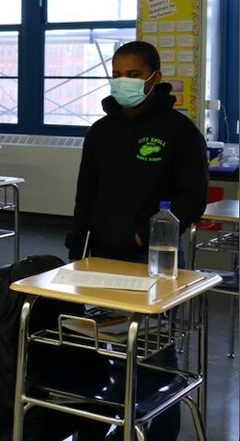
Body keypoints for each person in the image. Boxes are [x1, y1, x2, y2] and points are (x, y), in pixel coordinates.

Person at [67, 39, 208, 441]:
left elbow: (193, 196)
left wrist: (146, 232)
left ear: (154, 78)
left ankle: (159, 432)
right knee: (97, 348)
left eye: (133, 75)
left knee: (155, 353)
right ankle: (104, 426)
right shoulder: (100, 131)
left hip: (154, 259)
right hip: (101, 257)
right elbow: (86, 194)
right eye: (116, 75)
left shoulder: (178, 131)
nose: (122, 82)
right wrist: (77, 246)